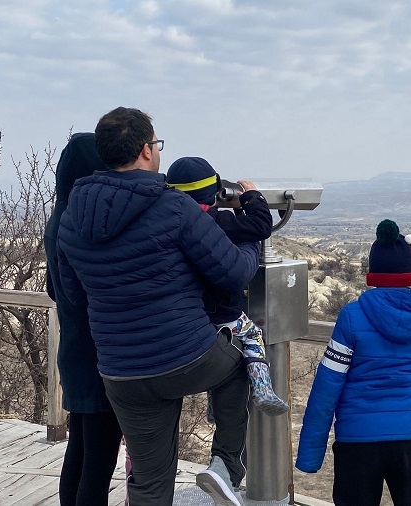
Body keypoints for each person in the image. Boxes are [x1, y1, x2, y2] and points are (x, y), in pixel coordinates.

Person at [56, 107, 258, 506]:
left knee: (149, 483)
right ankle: (226, 466)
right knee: (245, 356)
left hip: (120, 373)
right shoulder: (173, 206)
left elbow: (74, 296)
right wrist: (251, 241)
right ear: (147, 150)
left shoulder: (70, 219)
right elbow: (234, 272)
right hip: (186, 356)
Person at [295, 219, 411, 506]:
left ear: (373, 273)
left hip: (357, 442)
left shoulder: (352, 316)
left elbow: (327, 388)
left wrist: (309, 456)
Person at [166, 156, 289, 416]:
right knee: (253, 336)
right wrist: (250, 197)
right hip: (228, 314)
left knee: (218, 357)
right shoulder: (221, 223)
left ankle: (214, 407)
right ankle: (263, 388)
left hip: (194, 319)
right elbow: (259, 226)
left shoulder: (171, 225)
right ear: (215, 192)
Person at [44, 133, 123, 506]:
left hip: (75, 353)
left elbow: (52, 288)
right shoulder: (85, 224)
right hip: (99, 355)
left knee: (79, 452)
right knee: (97, 466)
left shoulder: (59, 218)